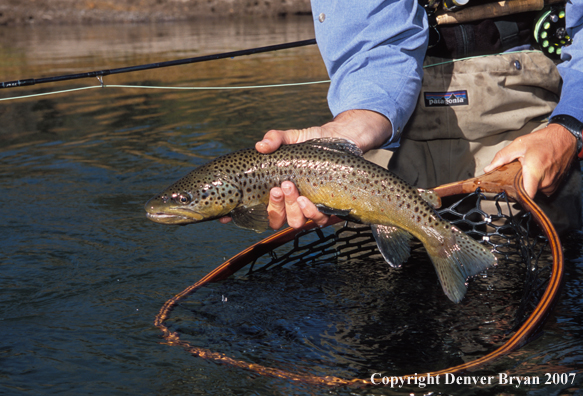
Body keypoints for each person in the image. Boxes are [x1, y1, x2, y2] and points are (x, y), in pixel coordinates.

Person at [220, 0, 583, 232]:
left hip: (534, 114)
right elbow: (373, 41)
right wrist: (352, 126)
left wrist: (569, 128)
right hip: (388, 129)